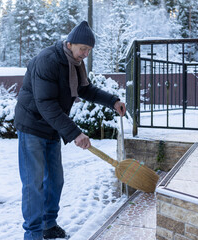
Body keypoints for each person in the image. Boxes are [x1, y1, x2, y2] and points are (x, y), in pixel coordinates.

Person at [14, 20, 126, 240]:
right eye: (83, 48)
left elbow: (86, 90)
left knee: (55, 180)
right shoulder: (48, 60)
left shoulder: (74, 63)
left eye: (89, 50)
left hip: (52, 127)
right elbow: (46, 103)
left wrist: (112, 101)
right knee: (33, 183)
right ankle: (33, 234)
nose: (85, 53)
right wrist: (75, 132)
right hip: (32, 125)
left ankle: (49, 225)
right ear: (70, 43)